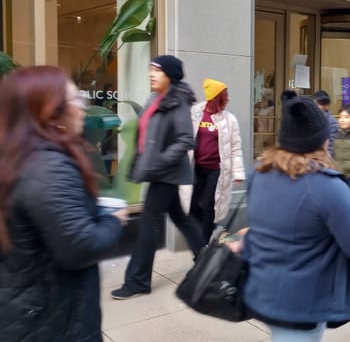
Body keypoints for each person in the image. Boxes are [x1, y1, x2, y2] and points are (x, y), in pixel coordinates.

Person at [0, 66, 127, 341]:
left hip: (24, 306)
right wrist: (114, 220)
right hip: (51, 316)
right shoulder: (49, 167)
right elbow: (80, 246)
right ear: (51, 111)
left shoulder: (16, 157)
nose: (83, 107)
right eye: (76, 99)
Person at [242, 90, 350, 341]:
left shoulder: (259, 172)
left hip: (262, 291)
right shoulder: (326, 186)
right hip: (301, 303)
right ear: (322, 141)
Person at [112, 55, 205, 300]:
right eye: (150, 70)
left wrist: (160, 160)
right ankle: (205, 259)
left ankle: (137, 281)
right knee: (180, 218)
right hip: (156, 170)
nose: (151, 74)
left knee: (148, 223)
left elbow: (186, 140)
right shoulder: (155, 98)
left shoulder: (178, 101)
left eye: (157, 71)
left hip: (166, 172)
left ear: (170, 75)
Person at [179, 78, 245, 244]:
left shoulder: (229, 120)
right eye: (225, 95)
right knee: (190, 204)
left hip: (217, 170)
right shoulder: (195, 113)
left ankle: (204, 243)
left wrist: (238, 172)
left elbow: (236, 147)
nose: (228, 98)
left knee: (209, 205)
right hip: (196, 167)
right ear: (215, 97)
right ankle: (213, 229)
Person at [314, 90, 339, 156]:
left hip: (324, 158)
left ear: (325, 105)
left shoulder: (331, 122)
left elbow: (331, 146)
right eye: (316, 104)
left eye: (320, 104)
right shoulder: (309, 118)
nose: (318, 107)